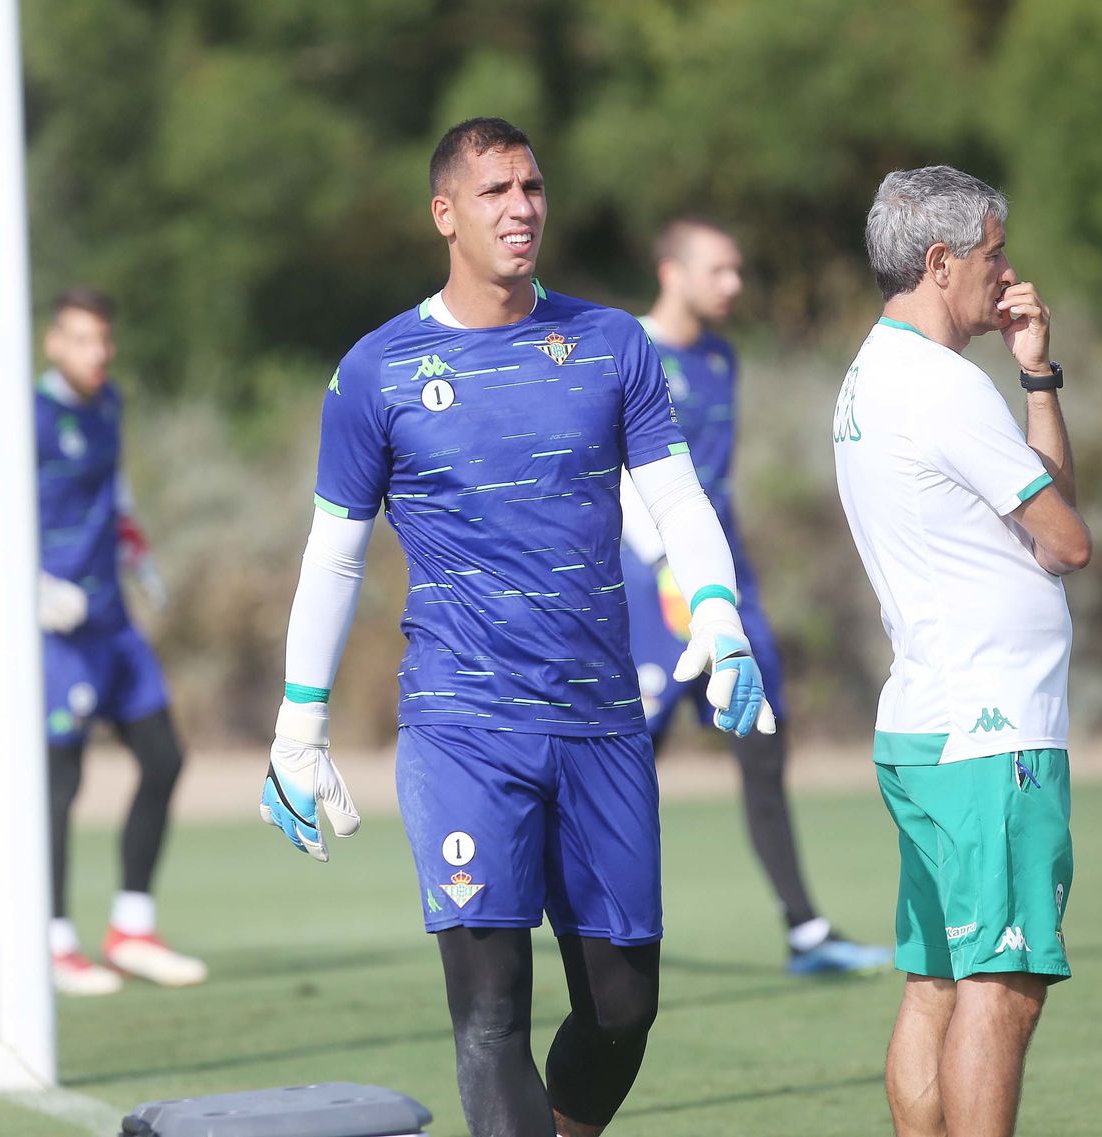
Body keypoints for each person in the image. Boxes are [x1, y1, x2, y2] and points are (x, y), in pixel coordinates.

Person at [260, 117, 774, 1137]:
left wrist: (718, 616)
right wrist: (298, 723)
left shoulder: (610, 342)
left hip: (599, 720)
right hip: (463, 727)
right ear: (444, 213)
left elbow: (676, 501)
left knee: (624, 1007)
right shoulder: (378, 370)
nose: (521, 207)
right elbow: (335, 552)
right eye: (494, 190)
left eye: (532, 187)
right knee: (491, 1010)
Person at [833, 166, 1092, 1136]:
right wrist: (1018, 389)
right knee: (1005, 979)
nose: (1006, 271)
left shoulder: (874, 371)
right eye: (991, 253)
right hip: (991, 728)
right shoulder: (940, 388)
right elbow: (1065, 541)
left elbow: (1039, 508)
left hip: (925, 721)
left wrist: (1034, 373)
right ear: (939, 262)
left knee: (936, 978)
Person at [620, 217, 893, 976]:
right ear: (671, 270)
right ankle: (587, 918)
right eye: (719, 270)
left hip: (725, 582)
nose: (734, 285)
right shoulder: (626, 347)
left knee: (763, 741)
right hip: (648, 583)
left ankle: (807, 932)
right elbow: (617, 474)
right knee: (627, 759)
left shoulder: (720, 357)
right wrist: (662, 567)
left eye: (739, 270)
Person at [0, 287, 206, 996]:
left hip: (113, 621)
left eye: (104, 340)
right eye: (82, 339)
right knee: (61, 781)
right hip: (56, 630)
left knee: (164, 756)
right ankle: (52, 938)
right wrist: (24, 583)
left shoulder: (108, 403)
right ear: (54, 343)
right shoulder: (29, 414)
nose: (97, 352)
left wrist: (135, 547)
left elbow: (109, 491)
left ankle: (132, 927)